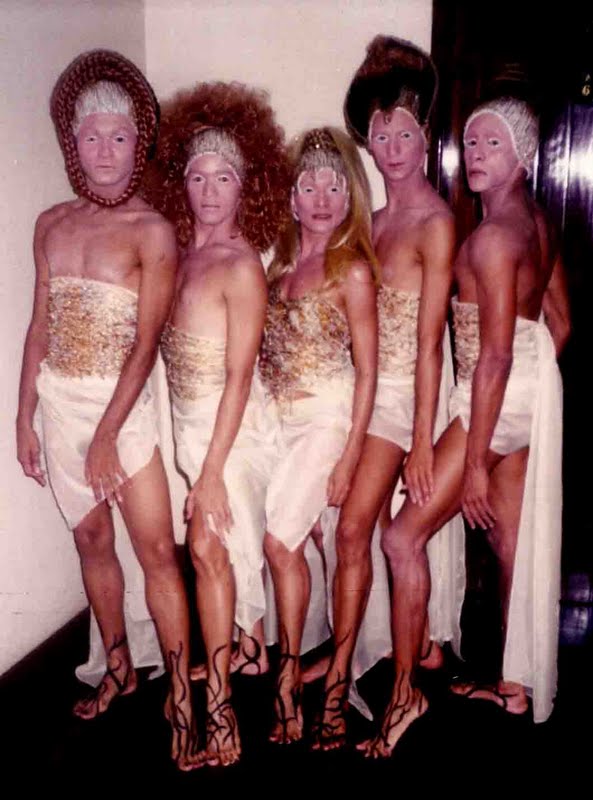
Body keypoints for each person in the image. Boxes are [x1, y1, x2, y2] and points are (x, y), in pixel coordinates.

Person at [360, 95, 570, 757]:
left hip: (491, 396)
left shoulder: (493, 236)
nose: (477, 156)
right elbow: (560, 324)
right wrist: (528, 393)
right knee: (509, 544)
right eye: (472, 143)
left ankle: (404, 697)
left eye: (493, 145)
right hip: (526, 394)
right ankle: (514, 686)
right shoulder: (537, 222)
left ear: (522, 157)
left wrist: (476, 458)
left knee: (401, 538)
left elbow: (494, 358)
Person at [16, 50, 200, 771]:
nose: (104, 149)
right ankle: (119, 667)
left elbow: (147, 343)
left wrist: (107, 435)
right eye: (91, 136)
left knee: (155, 551)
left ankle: (182, 700)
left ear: (136, 143)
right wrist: (23, 417)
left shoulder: (153, 231)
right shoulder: (50, 223)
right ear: (73, 142)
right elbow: (40, 326)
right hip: (60, 405)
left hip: (123, 410)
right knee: (91, 541)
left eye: (118, 137)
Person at [306, 35, 466, 751]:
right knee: (333, 528)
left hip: (408, 398)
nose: (393, 147)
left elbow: (430, 345)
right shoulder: (370, 223)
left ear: (424, 134)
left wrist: (423, 443)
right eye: (380, 133)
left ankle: (374, 691)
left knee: (360, 535)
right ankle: (357, 659)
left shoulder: (435, 222)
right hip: (365, 395)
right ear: (366, 142)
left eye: (405, 132)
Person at [148, 81, 290, 765]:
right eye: (198, 176)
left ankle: (221, 710)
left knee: (206, 548)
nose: (209, 190)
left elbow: (238, 378)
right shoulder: (179, 256)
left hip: (232, 435)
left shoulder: (240, 267)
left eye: (224, 177)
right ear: (183, 182)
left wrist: (208, 474)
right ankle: (235, 660)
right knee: (211, 555)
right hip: (190, 429)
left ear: (245, 186)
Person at [259, 126, 379, 744]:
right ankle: (306, 675)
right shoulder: (278, 269)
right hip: (279, 424)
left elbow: (369, 372)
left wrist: (350, 455)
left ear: (349, 195)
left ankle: (309, 687)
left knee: (279, 544)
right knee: (293, 545)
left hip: (328, 421)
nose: (323, 199)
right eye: (310, 186)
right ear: (292, 197)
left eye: (334, 187)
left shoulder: (351, 271)